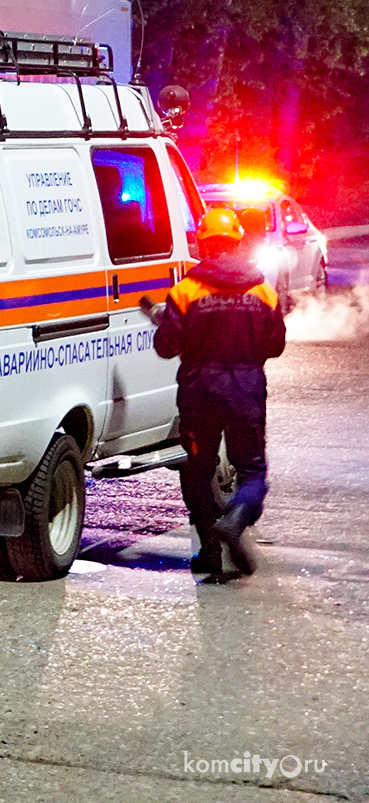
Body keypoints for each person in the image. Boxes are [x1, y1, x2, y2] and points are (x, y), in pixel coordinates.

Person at [154, 206, 286, 576]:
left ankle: (210, 552)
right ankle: (237, 519)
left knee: (198, 470)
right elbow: (275, 346)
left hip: (199, 394)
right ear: (237, 242)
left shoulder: (185, 291)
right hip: (245, 392)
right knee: (253, 472)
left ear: (203, 243)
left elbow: (166, 347)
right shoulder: (264, 290)